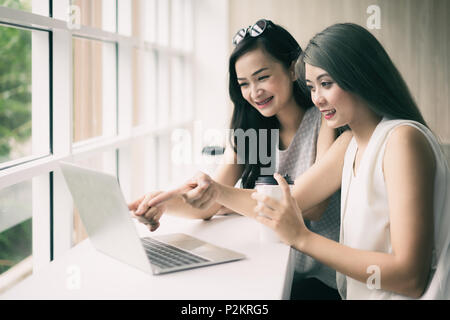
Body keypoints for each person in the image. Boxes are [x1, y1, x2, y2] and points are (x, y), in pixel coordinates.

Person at [129, 19, 351, 300]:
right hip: (279, 268)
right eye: (244, 83)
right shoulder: (254, 131)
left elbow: (313, 207)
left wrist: (224, 200)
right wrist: (162, 203)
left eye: (262, 77)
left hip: (323, 280)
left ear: (294, 69)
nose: (254, 92)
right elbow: (210, 201)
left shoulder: (323, 120)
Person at [250, 23, 450, 299]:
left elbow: (410, 277)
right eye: (311, 87)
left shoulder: (402, 141)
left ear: (360, 76)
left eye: (326, 84)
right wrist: (212, 192)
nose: (317, 99)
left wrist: (302, 238)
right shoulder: (351, 143)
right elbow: (288, 201)